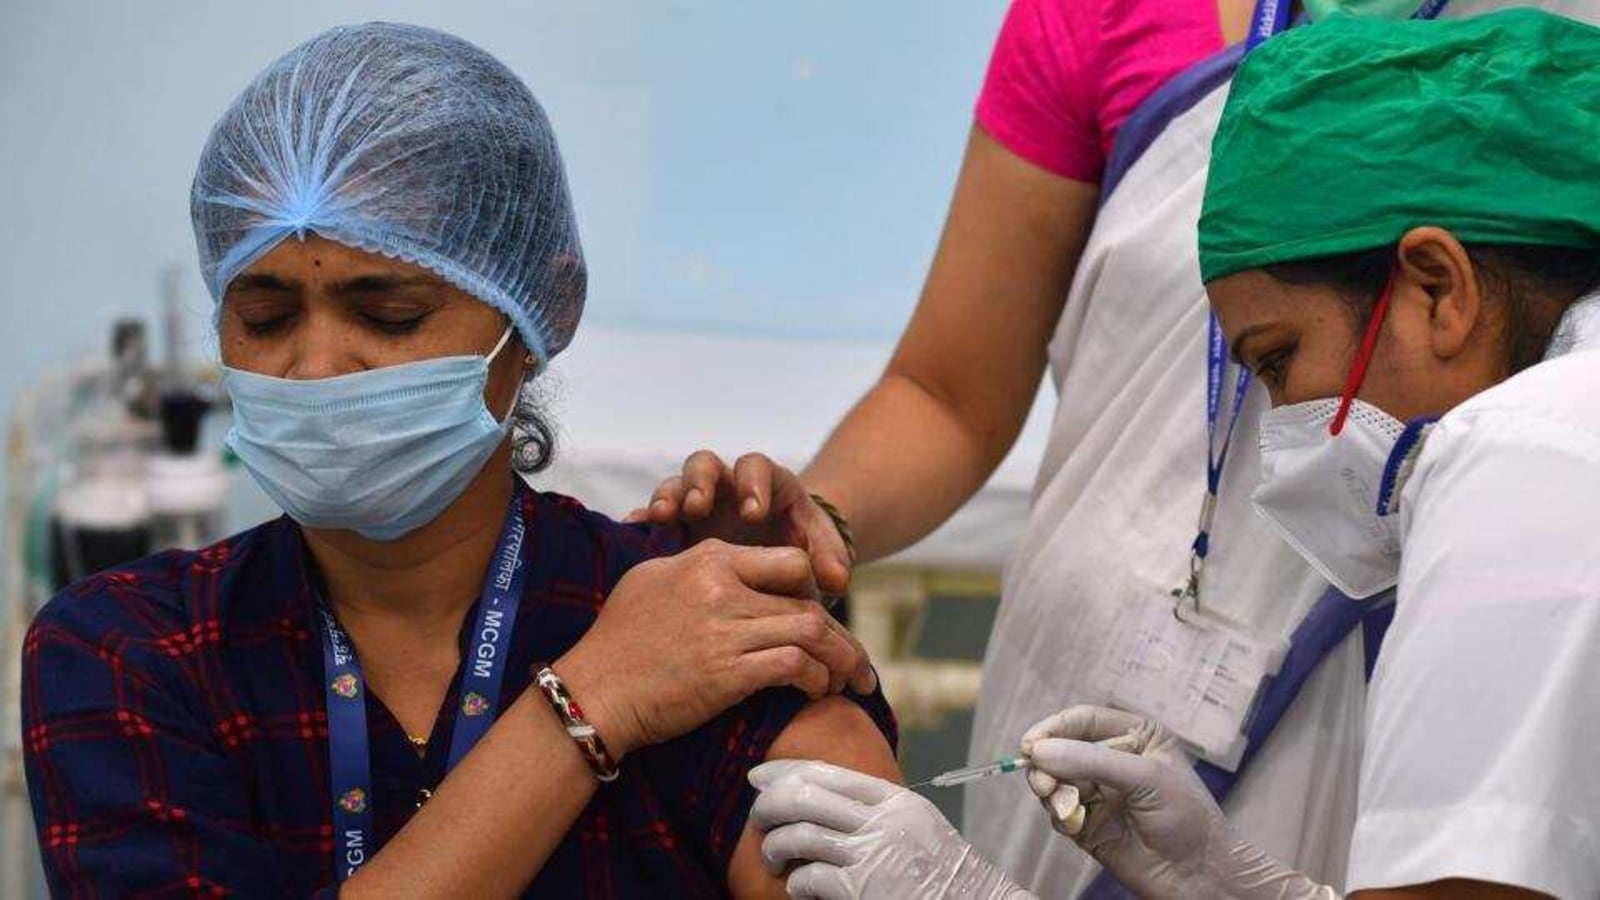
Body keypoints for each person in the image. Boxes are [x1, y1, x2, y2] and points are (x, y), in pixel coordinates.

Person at [636, 0, 1600, 892]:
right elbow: (951, 389)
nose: (1283, 444)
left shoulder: (1525, 472)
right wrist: (1236, 884)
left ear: (1440, 285)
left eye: (1276, 360)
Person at [21, 23, 900, 898]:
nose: (317, 367)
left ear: (533, 319)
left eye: (391, 312)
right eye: (266, 315)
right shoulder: (133, 651)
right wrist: (591, 702)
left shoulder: (695, 621)